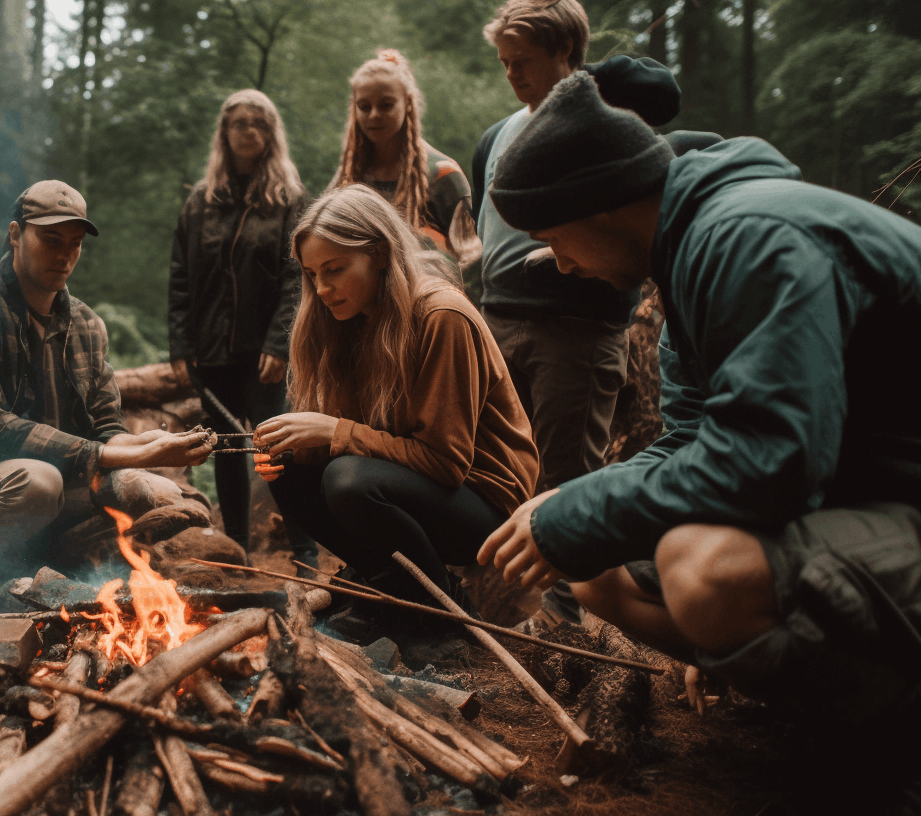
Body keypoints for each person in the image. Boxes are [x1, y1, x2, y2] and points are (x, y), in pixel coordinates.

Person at [478, 72, 921, 726]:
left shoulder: (750, 236)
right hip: (870, 498)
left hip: (893, 502)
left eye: (553, 240)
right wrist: (569, 506)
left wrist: (578, 513)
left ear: (600, 205)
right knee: (596, 564)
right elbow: (689, 436)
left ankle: (883, 747)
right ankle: (800, 702)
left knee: (703, 572)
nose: (561, 264)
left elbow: (770, 462)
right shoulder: (686, 256)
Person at [473, 0, 682, 631]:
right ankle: (497, 604)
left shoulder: (610, 116)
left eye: (525, 60)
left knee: (567, 467)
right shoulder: (498, 136)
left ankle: (563, 619)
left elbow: (659, 88)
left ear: (566, 53)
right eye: (504, 63)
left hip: (579, 325)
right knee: (497, 463)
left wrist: (587, 82)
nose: (512, 74)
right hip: (498, 317)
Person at [252, 184, 539, 638]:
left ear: (381, 254)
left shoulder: (441, 316)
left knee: (347, 478)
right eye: (311, 275)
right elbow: (365, 439)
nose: (322, 289)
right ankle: (386, 588)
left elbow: (445, 464)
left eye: (335, 270)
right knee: (288, 464)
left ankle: (437, 616)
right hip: (412, 484)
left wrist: (332, 432)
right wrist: (296, 451)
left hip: (485, 505)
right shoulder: (349, 321)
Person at [0, 180, 216, 598]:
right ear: (16, 235)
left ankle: (59, 564)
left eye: (75, 243)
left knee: (148, 489)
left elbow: (106, 424)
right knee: (38, 483)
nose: (64, 255)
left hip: (65, 480)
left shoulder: (87, 324)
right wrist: (109, 454)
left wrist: (139, 445)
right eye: (51, 239)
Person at [167, 88, 314, 559]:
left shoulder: (290, 200)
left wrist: (279, 342)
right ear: (224, 133)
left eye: (258, 123)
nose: (247, 131)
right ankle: (237, 552)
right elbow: (180, 277)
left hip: (266, 356)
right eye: (238, 123)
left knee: (279, 451)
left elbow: (299, 278)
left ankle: (306, 550)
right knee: (227, 452)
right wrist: (180, 345)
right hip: (212, 354)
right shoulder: (199, 201)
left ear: (271, 134)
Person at [328, 49, 482, 296]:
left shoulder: (443, 175)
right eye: (364, 106)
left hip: (428, 314)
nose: (374, 115)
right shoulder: (348, 177)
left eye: (386, 105)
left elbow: (472, 263)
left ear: (408, 104)